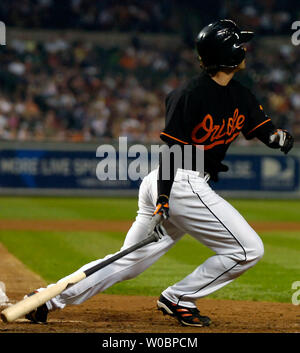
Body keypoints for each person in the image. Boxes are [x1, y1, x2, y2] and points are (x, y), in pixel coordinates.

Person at [25, 19, 294, 327]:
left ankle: (47, 299)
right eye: (239, 44)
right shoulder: (189, 94)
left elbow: (264, 130)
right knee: (248, 249)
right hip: (178, 181)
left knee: (128, 261)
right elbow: (171, 151)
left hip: (175, 185)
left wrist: (278, 138)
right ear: (229, 53)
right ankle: (179, 297)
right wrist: (165, 197)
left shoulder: (241, 95)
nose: (245, 48)